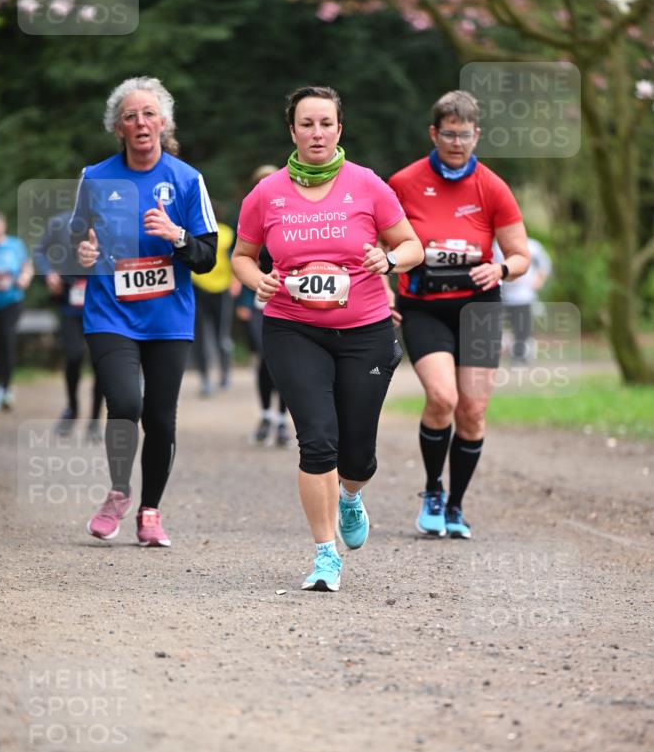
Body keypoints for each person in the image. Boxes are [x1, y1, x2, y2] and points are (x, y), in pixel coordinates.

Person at [231, 85, 423, 592]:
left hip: (366, 330)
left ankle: (351, 496)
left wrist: (391, 260)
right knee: (317, 441)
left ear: (340, 129)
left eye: (326, 123)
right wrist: (259, 281)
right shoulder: (266, 193)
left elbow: (412, 245)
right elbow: (242, 256)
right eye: (306, 124)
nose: (316, 133)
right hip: (293, 329)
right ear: (291, 130)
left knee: (357, 455)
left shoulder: (368, 185)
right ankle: (325, 553)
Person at [71, 76, 218, 546]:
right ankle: (118, 492)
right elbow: (74, 237)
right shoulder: (95, 177)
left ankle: (150, 511)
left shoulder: (187, 180)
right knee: (125, 403)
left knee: (159, 416)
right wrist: (83, 254)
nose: (141, 122)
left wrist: (176, 236)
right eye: (131, 116)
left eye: (149, 114)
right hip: (110, 312)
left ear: (163, 123)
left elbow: (207, 256)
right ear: (118, 127)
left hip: (167, 319)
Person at [388, 90, 530, 539]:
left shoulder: (491, 186)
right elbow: (376, 243)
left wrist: (501, 267)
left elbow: (520, 254)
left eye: (465, 135)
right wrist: (383, 290)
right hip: (424, 308)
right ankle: (432, 490)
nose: (457, 143)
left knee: (473, 410)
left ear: (477, 136)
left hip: (479, 307)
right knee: (444, 398)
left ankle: (455, 506)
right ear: (434, 133)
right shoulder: (404, 183)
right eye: (448, 134)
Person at [33, 210, 104, 440]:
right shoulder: (59, 222)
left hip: (103, 303)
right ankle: (72, 408)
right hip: (70, 300)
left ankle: (95, 420)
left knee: (101, 364)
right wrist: (48, 273)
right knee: (73, 356)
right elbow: (39, 251)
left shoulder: (110, 221)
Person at [234, 164, 291, 447]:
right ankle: (266, 414)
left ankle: (282, 419)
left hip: (290, 299)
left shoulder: (293, 214)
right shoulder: (251, 218)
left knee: (285, 361)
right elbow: (244, 260)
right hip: (259, 301)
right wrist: (244, 301)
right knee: (265, 358)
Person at [0, 209, 33, 413]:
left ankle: (5, 387)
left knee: (6, 342)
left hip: (10, 302)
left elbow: (27, 267)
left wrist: (24, 278)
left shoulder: (15, 245)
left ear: (3, 226)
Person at [191, 216, 235, 396]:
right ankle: (205, 378)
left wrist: (236, 280)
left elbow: (237, 256)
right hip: (197, 288)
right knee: (199, 337)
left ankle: (224, 373)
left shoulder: (226, 232)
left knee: (222, 335)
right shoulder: (192, 230)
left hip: (222, 289)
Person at [494, 236, 552, 364]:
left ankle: (519, 357)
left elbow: (544, 264)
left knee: (521, 328)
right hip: (502, 295)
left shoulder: (533, 246)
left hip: (523, 296)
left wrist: (538, 282)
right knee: (499, 327)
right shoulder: (497, 247)